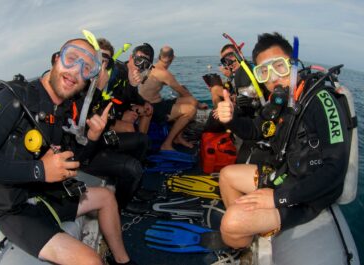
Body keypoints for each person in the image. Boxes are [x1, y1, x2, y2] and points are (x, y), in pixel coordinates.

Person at [0, 38, 135, 265]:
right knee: (90, 261)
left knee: (106, 197)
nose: (76, 71)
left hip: (46, 195)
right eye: (72, 58)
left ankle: (124, 261)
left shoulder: (62, 111)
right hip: (16, 210)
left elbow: (73, 161)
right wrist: (39, 170)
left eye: (87, 68)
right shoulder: (13, 98)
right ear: (56, 59)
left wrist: (92, 139)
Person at [217, 32, 349, 249]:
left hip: (308, 195)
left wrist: (278, 198)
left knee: (231, 223)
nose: (273, 78)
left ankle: (241, 232)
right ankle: (247, 237)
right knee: (227, 176)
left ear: (294, 64)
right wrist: (230, 120)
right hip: (285, 176)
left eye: (279, 66)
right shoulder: (280, 100)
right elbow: (254, 130)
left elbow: (335, 170)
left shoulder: (321, 101)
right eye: (263, 72)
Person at [77, 39, 153, 212]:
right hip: (84, 153)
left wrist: (133, 90)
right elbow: (82, 114)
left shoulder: (107, 80)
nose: (102, 65)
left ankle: (133, 189)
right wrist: (97, 90)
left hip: (100, 141)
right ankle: (120, 207)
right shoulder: (79, 84)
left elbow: (114, 104)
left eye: (106, 61)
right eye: (98, 58)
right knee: (132, 167)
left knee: (142, 140)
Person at [139, 45, 208, 150]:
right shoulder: (164, 73)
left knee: (191, 101)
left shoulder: (154, 67)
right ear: (173, 57)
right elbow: (183, 92)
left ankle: (178, 137)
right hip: (152, 108)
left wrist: (195, 101)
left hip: (150, 103)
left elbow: (178, 88)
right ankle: (167, 143)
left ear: (159, 57)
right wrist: (199, 104)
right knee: (191, 110)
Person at [105, 43, 155, 134]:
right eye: (138, 60)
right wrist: (120, 116)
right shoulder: (116, 72)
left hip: (121, 108)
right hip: (107, 113)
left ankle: (141, 138)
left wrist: (144, 102)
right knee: (129, 128)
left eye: (145, 64)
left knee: (148, 110)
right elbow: (103, 99)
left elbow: (132, 95)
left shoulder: (132, 74)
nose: (140, 66)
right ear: (131, 58)